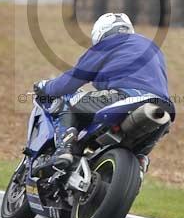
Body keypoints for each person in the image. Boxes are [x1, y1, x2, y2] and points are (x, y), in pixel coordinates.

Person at [33, 12, 173, 172]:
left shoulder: (106, 45)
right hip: (162, 107)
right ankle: (140, 160)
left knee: (68, 101)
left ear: (100, 34)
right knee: (138, 151)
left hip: (127, 97)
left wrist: (46, 87)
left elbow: (69, 83)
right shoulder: (153, 47)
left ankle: (64, 150)